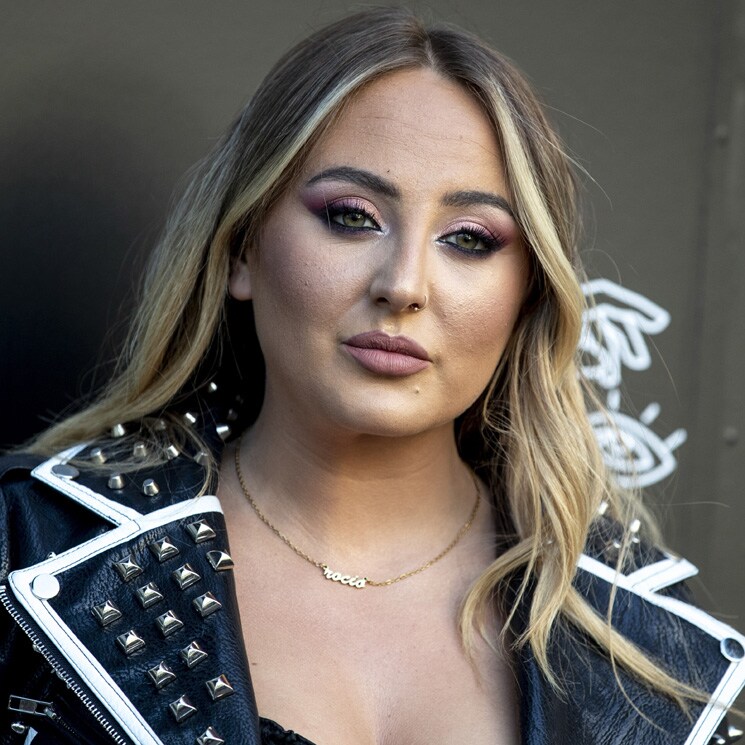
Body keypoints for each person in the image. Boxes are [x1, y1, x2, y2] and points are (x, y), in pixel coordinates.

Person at [0, 7, 743, 745]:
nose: (404, 284)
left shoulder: (657, 654)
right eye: (352, 216)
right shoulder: (30, 553)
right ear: (241, 250)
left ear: (525, 294)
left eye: (469, 239)